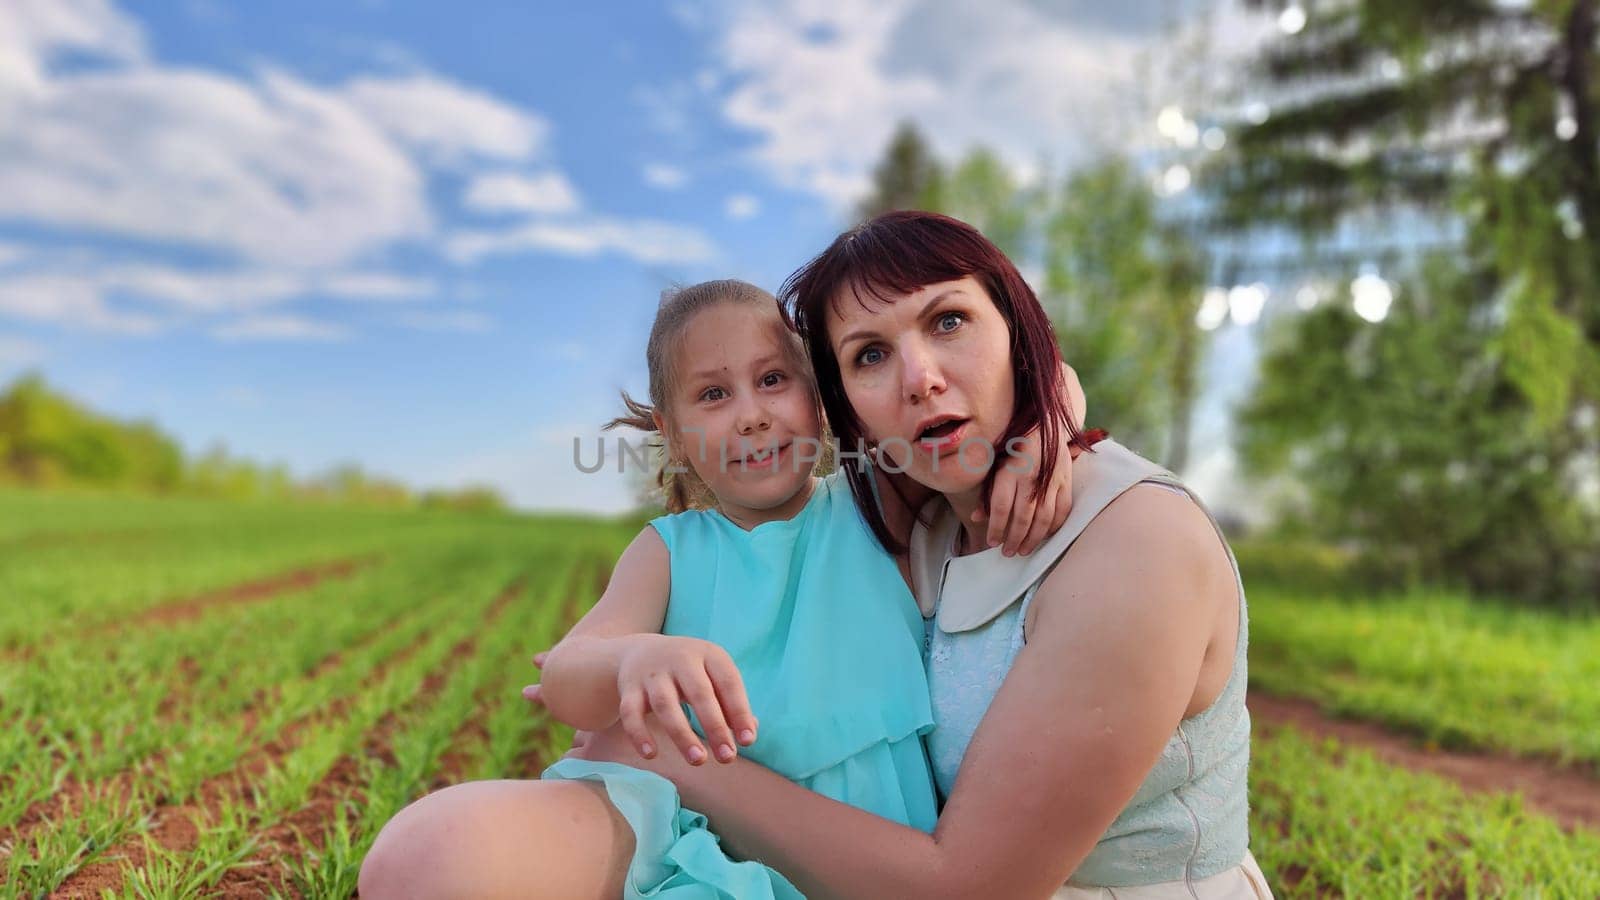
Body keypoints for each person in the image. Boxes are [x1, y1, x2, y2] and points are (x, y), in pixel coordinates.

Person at [560, 211, 1273, 899]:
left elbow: (968, 888)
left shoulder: (1133, 543)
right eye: (869, 354)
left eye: (949, 321)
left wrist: (1051, 404)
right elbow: (568, 669)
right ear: (851, 406)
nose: (921, 377)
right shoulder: (919, 511)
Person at [357, 277, 1080, 899]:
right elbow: (572, 678)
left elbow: (1031, 389)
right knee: (431, 856)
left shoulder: (874, 499)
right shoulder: (670, 550)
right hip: (695, 834)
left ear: (820, 398)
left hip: (862, 849)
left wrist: (1044, 432)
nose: (751, 413)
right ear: (673, 437)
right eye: (712, 394)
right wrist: (633, 658)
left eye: (773, 380)